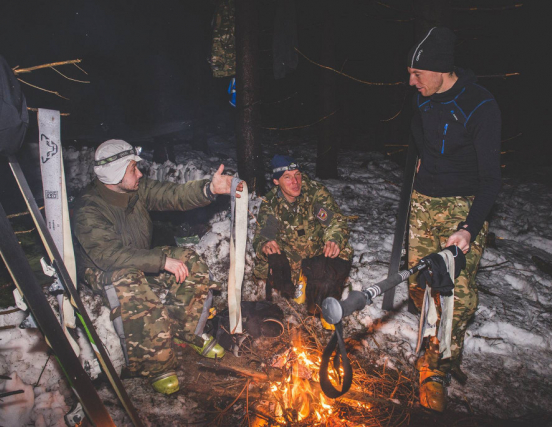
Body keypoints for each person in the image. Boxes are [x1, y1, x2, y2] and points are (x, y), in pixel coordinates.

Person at [74, 139, 242, 395]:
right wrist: (161, 261)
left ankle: (185, 331)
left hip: (136, 256)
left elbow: (172, 195)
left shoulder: (135, 189)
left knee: (189, 260)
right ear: (115, 173)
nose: (140, 173)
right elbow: (109, 255)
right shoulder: (88, 209)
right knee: (129, 279)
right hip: (102, 269)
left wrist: (208, 189)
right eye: (133, 169)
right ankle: (156, 363)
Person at [405, 27, 502, 411]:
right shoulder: (423, 98)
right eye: (409, 73)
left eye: (417, 74)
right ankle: (429, 342)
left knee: (455, 298)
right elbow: (420, 134)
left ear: (442, 69)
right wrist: (423, 161)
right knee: (420, 286)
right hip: (422, 202)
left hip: (461, 210)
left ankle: (439, 367)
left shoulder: (480, 106)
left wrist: (468, 228)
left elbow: (492, 180)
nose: (411, 82)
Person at [252, 155, 353, 315]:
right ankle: (298, 282)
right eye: (287, 177)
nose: (295, 182)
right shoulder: (271, 203)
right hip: (292, 253)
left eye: (297, 175)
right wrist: (266, 244)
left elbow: (335, 222)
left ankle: (325, 301)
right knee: (265, 264)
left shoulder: (314, 193)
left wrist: (334, 240)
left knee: (341, 254)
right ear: (276, 181)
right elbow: (264, 232)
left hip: (318, 251)